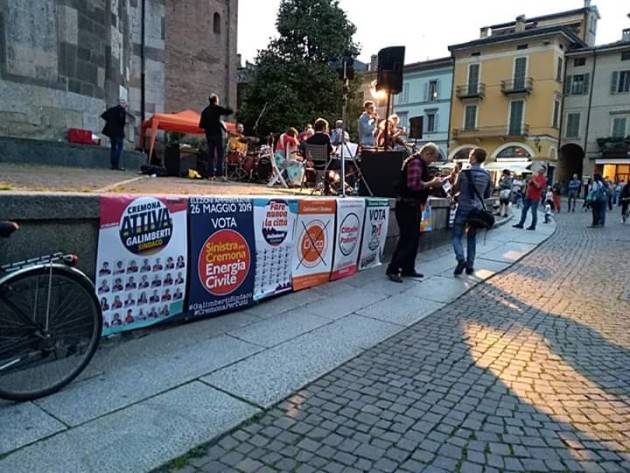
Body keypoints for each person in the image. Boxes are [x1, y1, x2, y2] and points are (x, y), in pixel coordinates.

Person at [386, 143, 444, 283]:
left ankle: (408, 268)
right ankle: (393, 269)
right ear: (428, 153)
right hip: (407, 205)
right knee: (407, 238)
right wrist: (432, 183)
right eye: (433, 158)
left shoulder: (417, 163)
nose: (432, 162)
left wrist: (433, 185)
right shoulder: (416, 163)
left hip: (412, 205)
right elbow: (414, 185)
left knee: (413, 238)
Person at [451, 148, 492, 276]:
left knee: (456, 236)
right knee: (471, 237)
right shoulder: (486, 175)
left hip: (463, 208)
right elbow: (487, 195)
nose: (469, 157)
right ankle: (470, 266)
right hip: (477, 211)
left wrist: (455, 178)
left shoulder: (463, 173)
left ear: (474, 158)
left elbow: (454, 189)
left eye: (470, 155)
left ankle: (460, 259)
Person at [199, 94, 233, 180]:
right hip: (217, 135)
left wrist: (208, 126)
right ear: (216, 100)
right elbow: (228, 112)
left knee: (211, 155)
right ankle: (219, 174)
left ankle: (210, 175)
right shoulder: (217, 108)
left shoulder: (204, 111)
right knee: (220, 154)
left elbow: (201, 125)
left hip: (209, 135)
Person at [101, 99, 129, 171]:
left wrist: (111, 123)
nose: (126, 106)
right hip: (118, 132)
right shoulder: (121, 111)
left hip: (112, 132)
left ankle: (113, 165)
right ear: (123, 104)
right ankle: (116, 165)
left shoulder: (112, 109)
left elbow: (104, 115)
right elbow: (122, 122)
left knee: (113, 148)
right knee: (119, 148)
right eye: (126, 105)